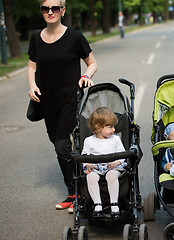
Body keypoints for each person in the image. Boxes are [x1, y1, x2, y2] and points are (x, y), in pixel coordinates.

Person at [27, 0, 98, 213]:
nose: (50, 12)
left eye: (55, 8)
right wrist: (32, 86)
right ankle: (81, 186)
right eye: (46, 8)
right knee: (58, 143)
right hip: (46, 99)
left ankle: (76, 194)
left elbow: (92, 63)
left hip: (70, 96)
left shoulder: (75, 37)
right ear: (41, 11)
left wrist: (85, 76)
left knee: (62, 146)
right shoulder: (36, 38)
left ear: (63, 11)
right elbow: (32, 66)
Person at [82, 107, 127, 218]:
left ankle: (114, 203)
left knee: (111, 176)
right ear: (98, 127)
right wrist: (87, 164)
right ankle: (97, 204)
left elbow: (122, 154)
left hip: (113, 167)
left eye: (113, 126)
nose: (113, 130)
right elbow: (84, 156)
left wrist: (117, 162)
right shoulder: (89, 141)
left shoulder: (115, 139)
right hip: (96, 167)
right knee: (90, 177)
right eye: (110, 127)